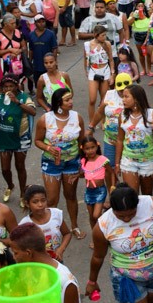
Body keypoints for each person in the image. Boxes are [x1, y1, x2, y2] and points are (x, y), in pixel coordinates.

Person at [34, 87, 87, 239]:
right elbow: (37, 140)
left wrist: (83, 163)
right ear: (58, 103)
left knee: (71, 195)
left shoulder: (77, 118)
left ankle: (74, 226)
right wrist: (48, 148)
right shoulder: (45, 119)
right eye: (67, 100)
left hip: (72, 162)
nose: (71, 102)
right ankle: (52, 229)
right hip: (51, 163)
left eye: (71, 99)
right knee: (52, 199)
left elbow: (82, 142)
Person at [8, 223, 80, 303]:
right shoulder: (28, 270)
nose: (14, 257)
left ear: (28, 253)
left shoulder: (65, 282)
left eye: (15, 253)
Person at [116, 84, 153, 196]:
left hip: (148, 161)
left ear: (136, 99)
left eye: (126, 96)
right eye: (123, 96)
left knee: (147, 196)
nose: (123, 99)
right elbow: (119, 140)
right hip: (128, 161)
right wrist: (117, 163)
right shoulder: (122, 116)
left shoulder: (152, 115)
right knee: (131, 196)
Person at [0, 74, 36, 204]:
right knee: (5, 169)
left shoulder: (24, 97)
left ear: (17, 86)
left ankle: (23, 193)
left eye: (11, 86)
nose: (8, 89)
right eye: (5, 86)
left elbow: (33, 112)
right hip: (5, 137)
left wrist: (17, 102)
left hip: (21, 137)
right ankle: (10, 185)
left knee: (20, 166)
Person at [19, 184, 70, 260]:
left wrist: (60, 249)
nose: (40, 205)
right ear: (27, 204)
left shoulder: (56, 214)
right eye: (35, 202)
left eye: (43, 200)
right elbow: (20, 247)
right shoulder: (24, 224)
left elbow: (67, 234)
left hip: (56, 260)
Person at [79, 135, 112, 231]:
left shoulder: (102, 160)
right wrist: (77, 175)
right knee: (91, 217)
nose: (90, 150)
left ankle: (103, 230)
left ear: (97, 146)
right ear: (83, 149)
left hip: (100, 191)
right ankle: (95, 234)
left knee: (96, 215)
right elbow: (82, 174)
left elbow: (111, 173)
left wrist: (112, 186)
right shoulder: (83, 161)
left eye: (92, 147)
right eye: (87, 148)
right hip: (89, 192)